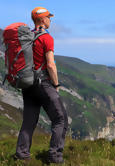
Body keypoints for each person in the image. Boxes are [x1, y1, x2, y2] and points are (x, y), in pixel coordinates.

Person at [15, 7, 68, 163]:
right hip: (43, 84)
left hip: (28, 85)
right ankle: (55, 157)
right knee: (61, 119)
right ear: (43, 20)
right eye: (49, 18)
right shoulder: (46, 38)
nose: (50, 20)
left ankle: (22, 155)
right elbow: (51, 65)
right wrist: (56, 85)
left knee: (29, 121)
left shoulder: (28, 37)